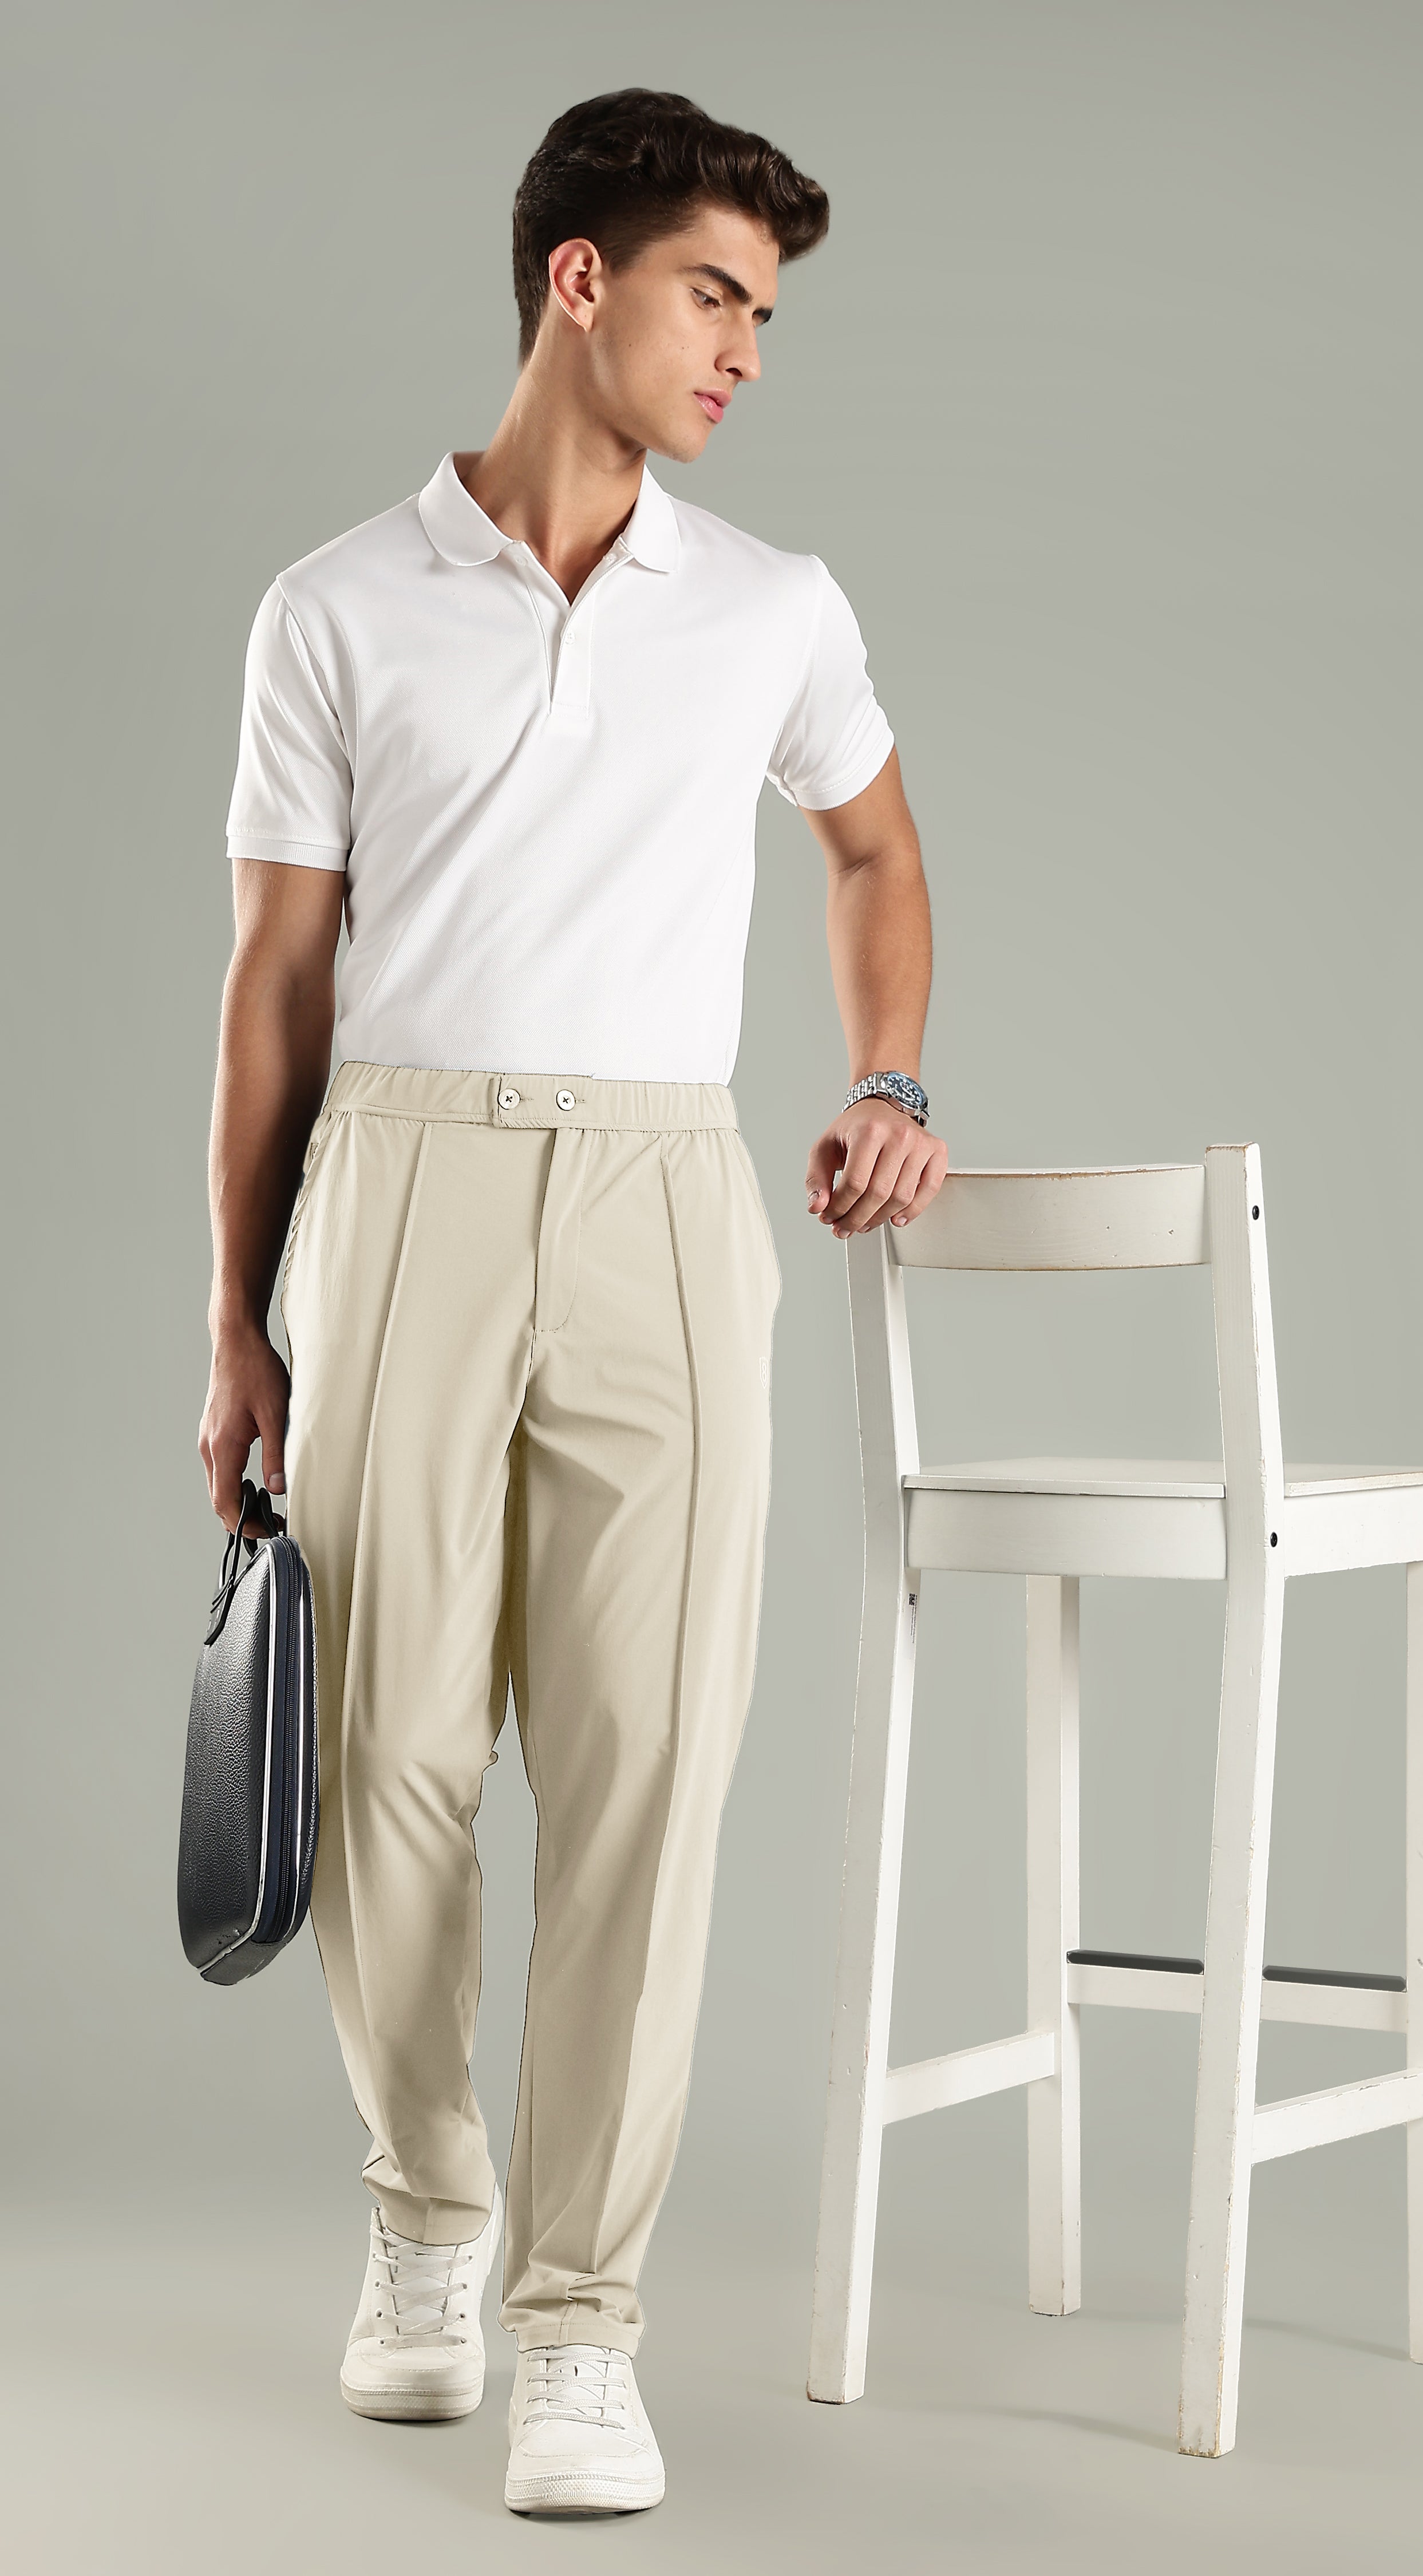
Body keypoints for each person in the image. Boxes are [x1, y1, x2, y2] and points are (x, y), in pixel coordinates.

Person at [197, 88, 945, 2518]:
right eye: (718, 292)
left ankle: (583, 2327)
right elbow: (277, 987)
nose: (747, 350)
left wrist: (886, 1071)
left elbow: (872, 845)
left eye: (767, 313)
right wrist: (237, 1322)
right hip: (396, 1187)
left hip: (658, 1199)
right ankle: (429, 2218)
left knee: (647, 1774)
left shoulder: (775, 605)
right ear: (579, 280)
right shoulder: (334, 606)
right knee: (387, 1763)